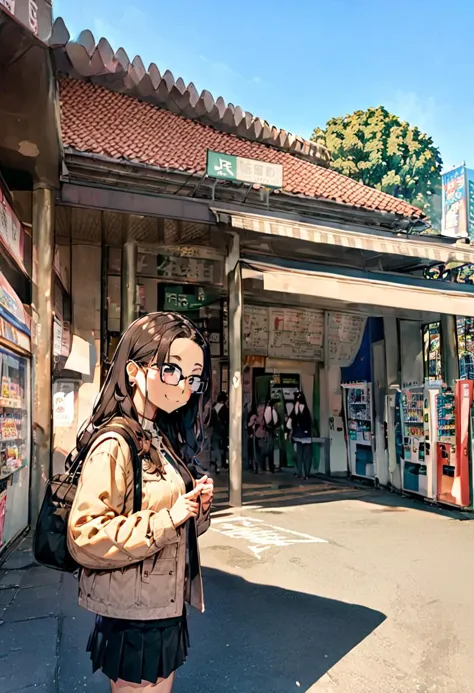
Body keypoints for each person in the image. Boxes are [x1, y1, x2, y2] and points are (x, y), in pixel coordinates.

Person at [67, 312, 214, 693]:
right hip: (133, 615)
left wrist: (196, 507)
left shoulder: (161, 439)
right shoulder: (115, 443)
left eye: (193, 376)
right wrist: (171, 516)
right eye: (172, 370)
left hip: (162, 605)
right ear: (134, 370)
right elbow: (86, 534)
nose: (184, 386)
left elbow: (177, 525)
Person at [287, 391, 313, 480]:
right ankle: (307, 474)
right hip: (307, 436)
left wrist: (290, 431)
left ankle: (299, 473)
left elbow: (289, 424)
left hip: (298, 436)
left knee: (299, 455)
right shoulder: (306, 409)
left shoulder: (295, 408)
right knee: (307, 456)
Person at [210, 391, 229, 474]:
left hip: (214, 430)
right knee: (224, 448)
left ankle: (216, 464)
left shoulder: (213, 407)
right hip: (223, 431)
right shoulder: (225, 409)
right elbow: (227, 422)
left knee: (215, 447)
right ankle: (222, 463)